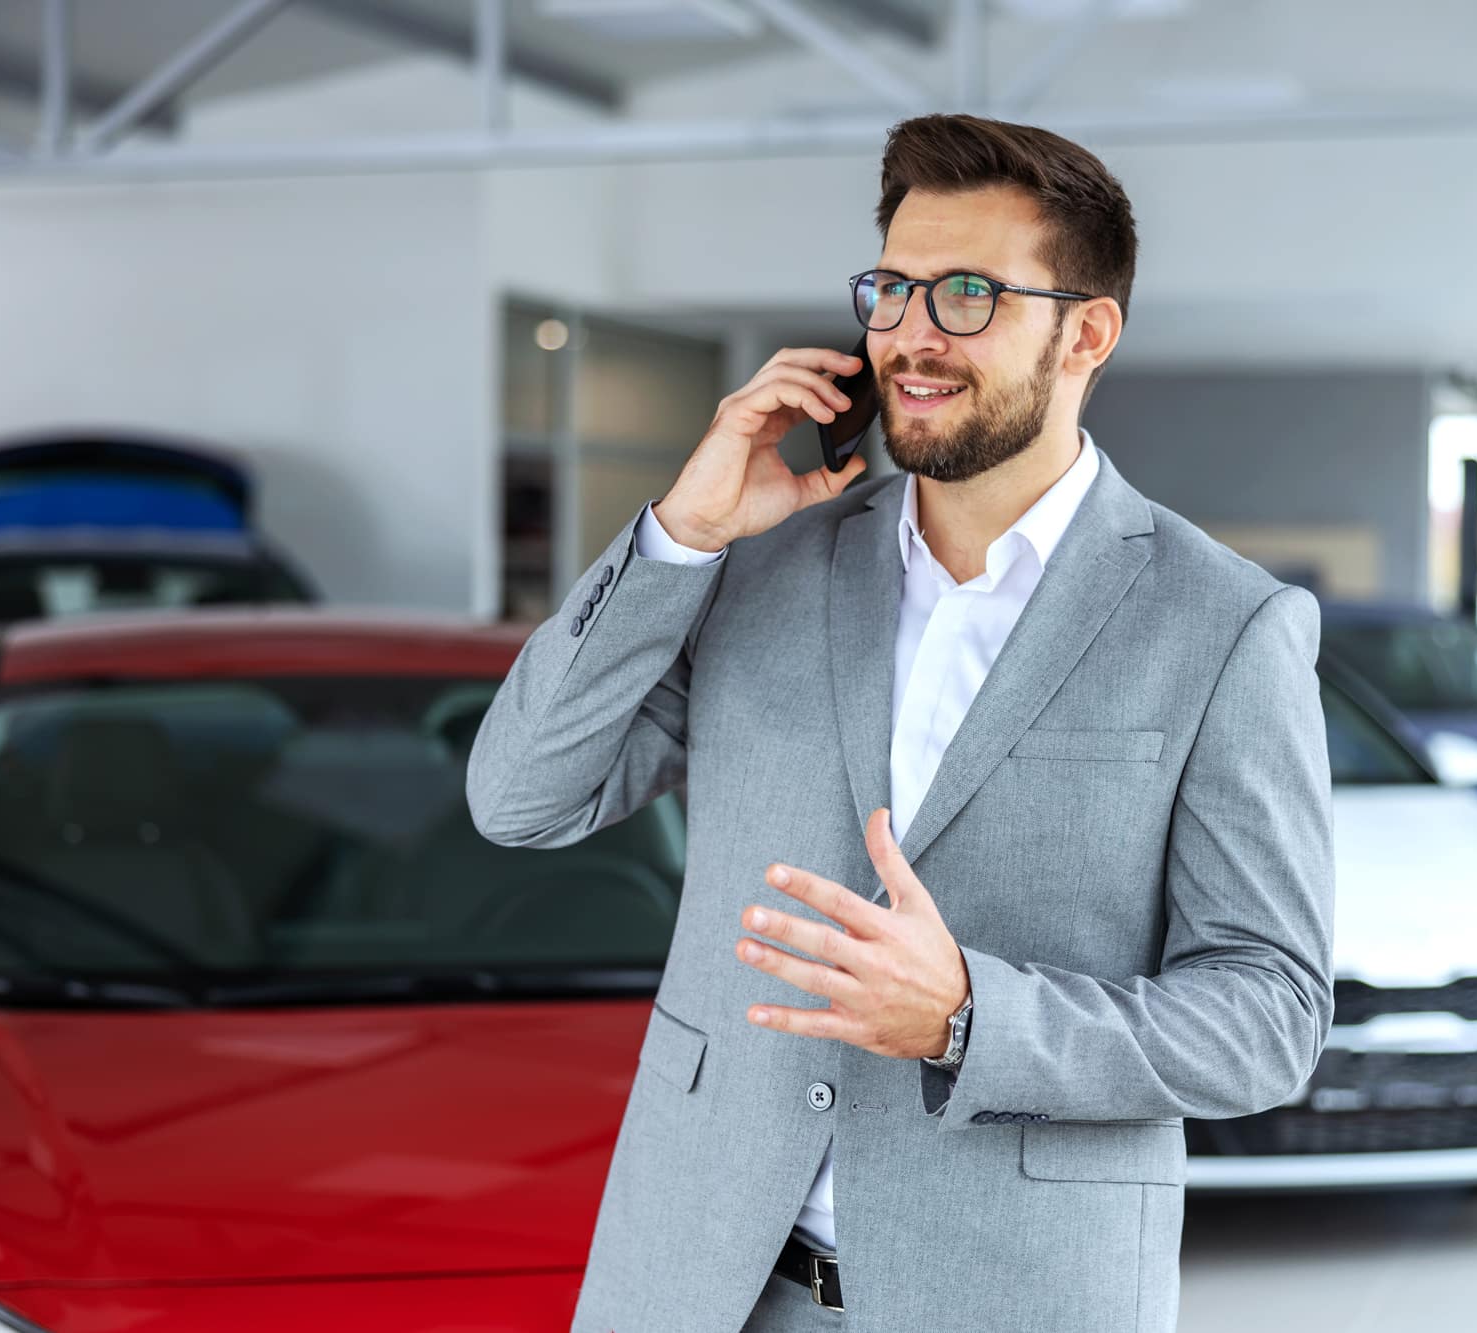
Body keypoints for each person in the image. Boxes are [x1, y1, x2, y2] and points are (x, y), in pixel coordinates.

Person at [466, 114, 1335, 1333]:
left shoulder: (1222, 624)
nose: (911, 337)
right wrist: (683, 533)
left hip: (1010, 1298)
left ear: (1086, 331)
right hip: (702, 1283)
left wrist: (969, 1017)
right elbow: (518, 796)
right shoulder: (760, 564)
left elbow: (1268, 1016)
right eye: (892, 289)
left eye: (968, 294)